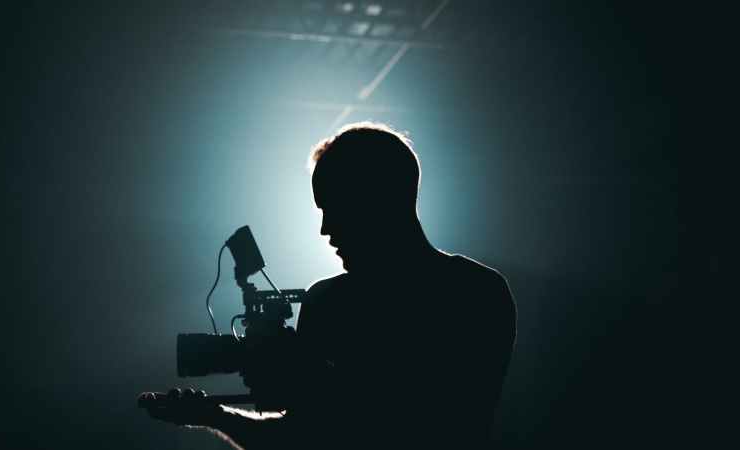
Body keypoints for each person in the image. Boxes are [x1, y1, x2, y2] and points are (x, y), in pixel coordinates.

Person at [141, 122, 516, 449]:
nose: (325, 230)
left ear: (380, 199)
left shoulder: (476, 295)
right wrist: (215, 415)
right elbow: (300, 436)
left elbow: (435, 421)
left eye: (334, 207)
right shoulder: (477, 289)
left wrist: (306, 378)